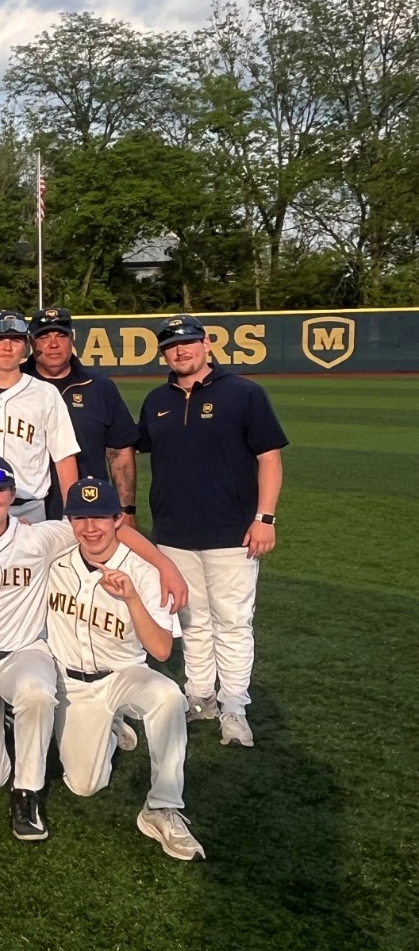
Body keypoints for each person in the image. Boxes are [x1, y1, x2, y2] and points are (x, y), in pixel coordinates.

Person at [0, 454, 186, 842]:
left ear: (12, 494)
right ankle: (66, 726)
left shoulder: (41, 538)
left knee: (157, 698)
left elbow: (115, 532)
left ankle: (34, 792)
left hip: (44, 659)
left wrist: (163, 565)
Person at [137, 314, 287, 747]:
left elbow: (270, 459)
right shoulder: (156, 400)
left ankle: (235, 705)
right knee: (191, 620)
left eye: (187, 343)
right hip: (172, 532)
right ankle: (200, 696)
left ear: (206, 345)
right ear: (164, 353)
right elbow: (131, 446)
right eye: (171, 346)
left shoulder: (244, 393)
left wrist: (265, 518)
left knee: (234, 621)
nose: (180, 351)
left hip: (233, 532)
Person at [46, 480, 204, 860]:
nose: (90, 527)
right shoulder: (55, 557)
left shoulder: (145, 573)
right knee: (85, 785)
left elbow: (162, 650)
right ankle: (112, 727)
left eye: (100, 516)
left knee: (168, 696)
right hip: (71, 683)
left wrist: (132, 598)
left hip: (122, 676)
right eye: (80, 517)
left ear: (119, 518)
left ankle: (162, 806)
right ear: (68, 521)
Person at [0, 310, 80, 523]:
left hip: (30, 510)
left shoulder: (45, 393)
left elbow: (64, 458)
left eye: (15, 340)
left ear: (25, 346)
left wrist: (72, 515)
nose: (7, 346)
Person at [23, 308, 139, 520]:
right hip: (25, 509)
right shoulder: (17, 384)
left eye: (61, 335)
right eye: (44, 337)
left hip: (89, 509)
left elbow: (119, 451)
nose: (53, 344)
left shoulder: (99, 387)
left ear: (72, 339)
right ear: (32, 343)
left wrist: (127, 509)